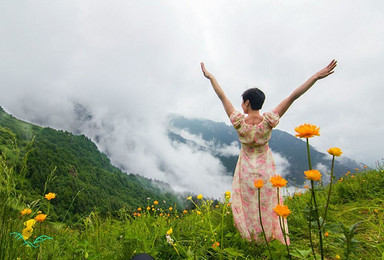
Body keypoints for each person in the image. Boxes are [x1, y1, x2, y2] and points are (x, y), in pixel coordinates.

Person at [201, 60, 337, 244]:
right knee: (267, 203)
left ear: (247, 103)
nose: (241, 104)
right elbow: (293, 96)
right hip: (265, 168)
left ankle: (251, 238)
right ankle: (270, 236)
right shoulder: (268, 121)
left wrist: (211, 77)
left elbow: (221, 96)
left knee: (249, 205)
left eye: (243, 101)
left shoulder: (239, 122)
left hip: (246, 171)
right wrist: (314, 77)